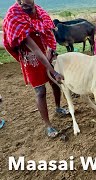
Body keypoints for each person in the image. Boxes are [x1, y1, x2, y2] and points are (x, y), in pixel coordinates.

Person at [2, 0, 68, 138]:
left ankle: (58, 108)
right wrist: (53, 71)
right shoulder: (14, 16)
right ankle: (48, 126)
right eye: (24, 4)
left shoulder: (39, 10)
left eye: (30, 3)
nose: (29, 7)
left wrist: (51, 49)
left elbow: (49, 33)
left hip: (46, 52)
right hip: (31, 57)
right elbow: (35, 49)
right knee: (40, 91)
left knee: (55, 83)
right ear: (19, 1)